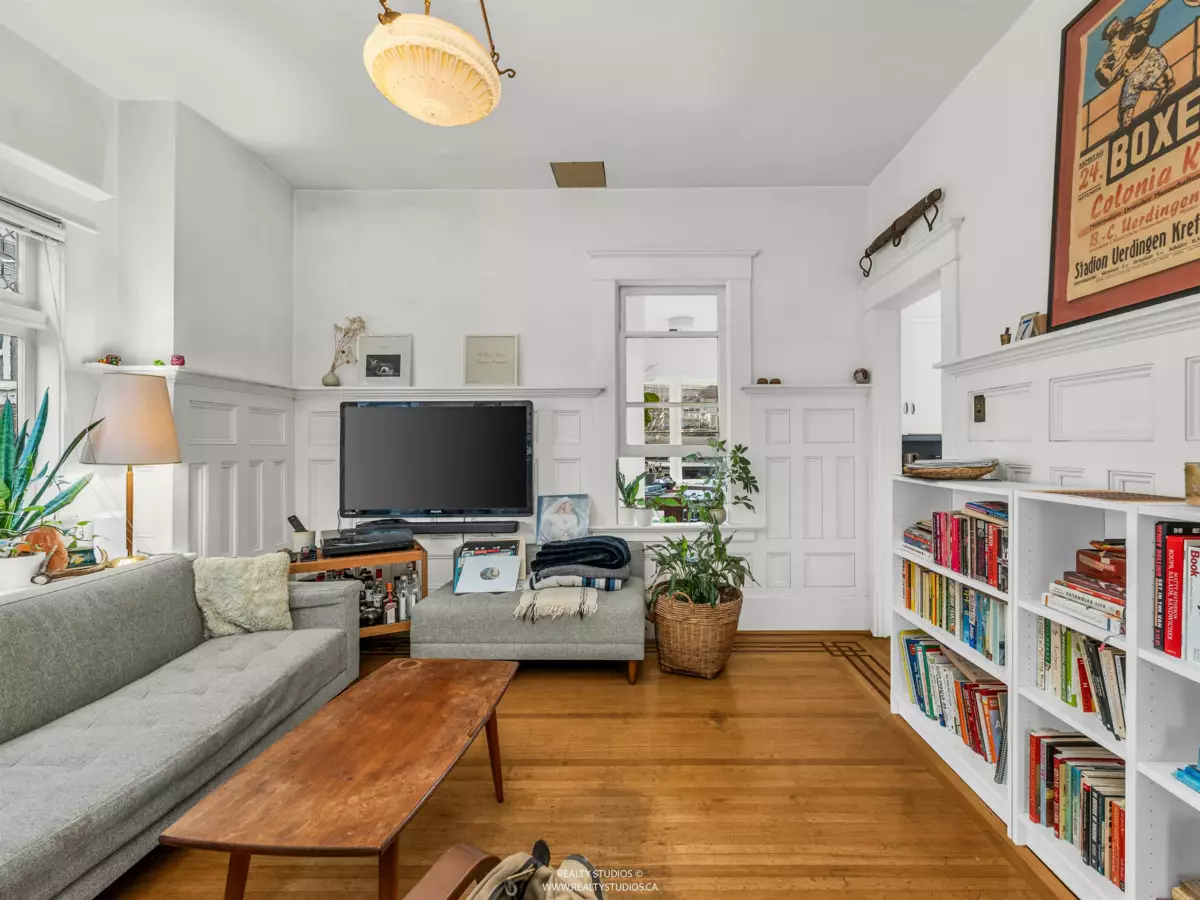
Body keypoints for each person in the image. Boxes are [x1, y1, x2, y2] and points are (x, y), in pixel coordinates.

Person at [1095, 0, 1176, 127]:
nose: (1121, 23)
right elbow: (1152, 9)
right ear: (1114, 32)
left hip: (1148, 62)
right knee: (1125, 114)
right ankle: (1130, 122)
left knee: (1167, 83)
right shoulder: (1116, 46)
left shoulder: (1132, 31)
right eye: (1118, 24)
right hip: (1139, 71)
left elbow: (1152, 10)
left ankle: (1154, 108)